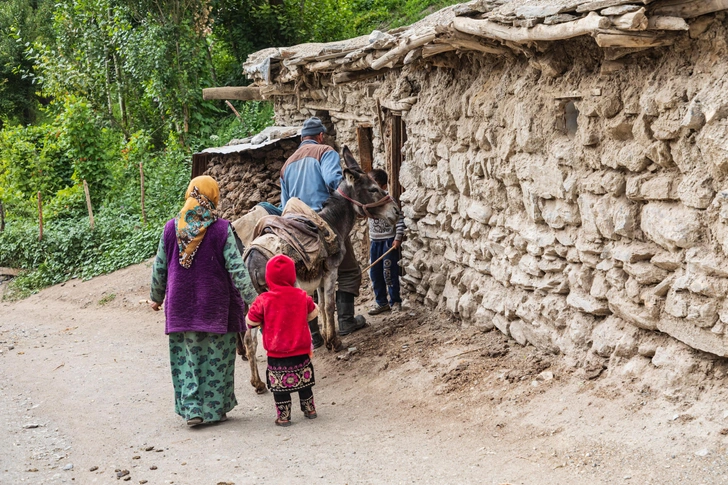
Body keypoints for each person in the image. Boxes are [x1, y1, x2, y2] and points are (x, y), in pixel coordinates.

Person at [149, 175, 258, 427]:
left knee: (188, 359)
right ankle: (215, 409)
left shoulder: (170, 228)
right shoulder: (221, 229)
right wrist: (253, 299)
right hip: (215, 305)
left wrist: (156, 297)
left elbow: (159, 268)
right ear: (213, 196)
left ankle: (193, 409)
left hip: (181, 306)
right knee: (218, 358)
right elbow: (236, 268)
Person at [279, 116, 366, 345]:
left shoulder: (287, 165)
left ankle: (314, 335)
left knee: (306, 277)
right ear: (320, 136)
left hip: (295, 228)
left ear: (301, 139)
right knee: (348, 270)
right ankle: (346, 321)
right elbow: (335, 182)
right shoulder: (325, 151)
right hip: (325, 222)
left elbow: (284, 204)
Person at [246, 254, 319, 426]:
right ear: (292, 276)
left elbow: (251, 321)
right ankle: (310, 409)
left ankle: (284, 416)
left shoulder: (264, 299)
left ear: (268, 277)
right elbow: (313, 312)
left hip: (277, 355)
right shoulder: (301, 295)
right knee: (304, 383)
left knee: (280, 389)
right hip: (301, 352)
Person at [367, 169, 405, 315]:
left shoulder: (389, 200)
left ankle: (395, 301)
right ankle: (381, 302)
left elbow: (399, 218)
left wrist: (398, 237)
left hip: (388, 241)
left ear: (383, 187)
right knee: (375, 273)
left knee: (389, 273)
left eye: (373, 183)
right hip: (374, 242)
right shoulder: (368, 201)